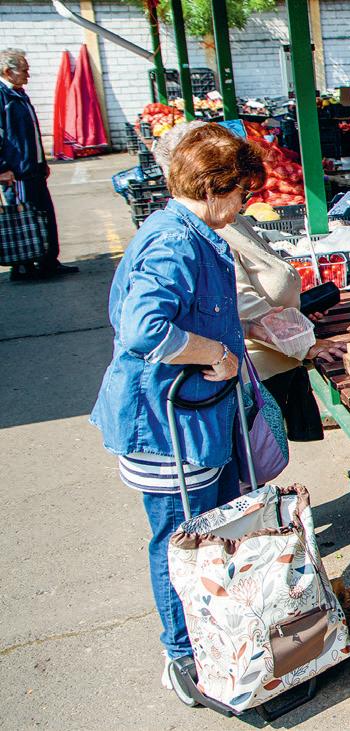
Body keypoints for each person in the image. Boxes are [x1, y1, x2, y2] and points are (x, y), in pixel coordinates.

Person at [89, 124, 264, 693]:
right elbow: (143, 328)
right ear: (214, 187)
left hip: (195, 423)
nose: (245, 203)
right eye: (241, 191)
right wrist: (214, 352)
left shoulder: (191, 232)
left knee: (209, 531)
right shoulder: (174, 243)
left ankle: (215, 634)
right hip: (167, 429)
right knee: (181, 542)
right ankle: (182, 657)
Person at [153, 121, 347, 441]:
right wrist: (303, 343)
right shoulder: (194, 236)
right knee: (248, 457)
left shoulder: (221, 221)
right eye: (241, 189)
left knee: (257, 460)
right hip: (245, 372)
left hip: (270, 359)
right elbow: (150, 331)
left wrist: (294, 315)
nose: (244, 200)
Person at [0, 48, 78, 281]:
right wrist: (2, 168)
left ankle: (47, 261)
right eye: (24, 70)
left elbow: (29, 133)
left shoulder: (18, 94)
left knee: (43, 214)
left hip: (32, 168)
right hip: (17, 172)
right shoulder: (3, 97)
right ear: (7, 71)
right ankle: (23, 265)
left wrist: (41, 161)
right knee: (23, 216)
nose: (28, 75)